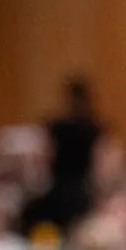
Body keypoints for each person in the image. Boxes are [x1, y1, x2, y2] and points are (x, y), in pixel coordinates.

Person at [26, 77, 105, 233]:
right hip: (83, 188)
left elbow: (46, 156)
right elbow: (99, 164)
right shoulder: (93, 127)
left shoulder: (57, 127)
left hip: (59, 187)